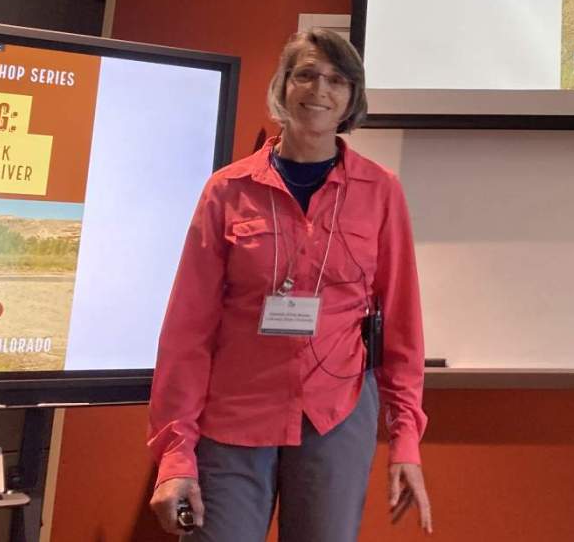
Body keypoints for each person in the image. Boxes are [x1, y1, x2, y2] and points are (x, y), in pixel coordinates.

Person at [146, 28, 431, 539]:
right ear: (283, 86)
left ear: (351, 98)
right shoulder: (228, 190)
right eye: (306, 74)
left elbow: (403, 330)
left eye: (337, 80)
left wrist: (405, 438)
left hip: (336, 414)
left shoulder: (381, 191)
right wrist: (175, 453)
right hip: (233, 415)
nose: (319, 90)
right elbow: (186, 332)